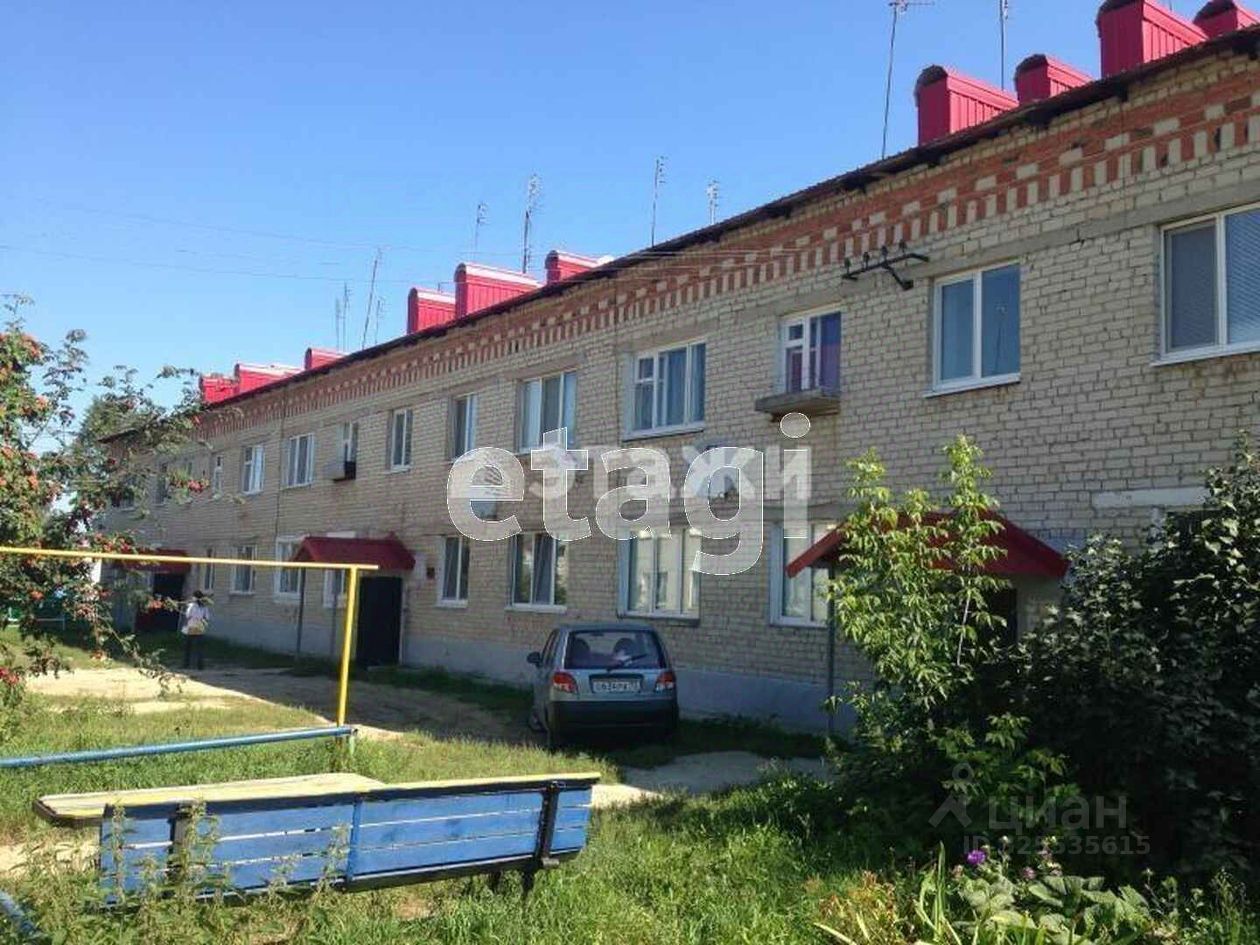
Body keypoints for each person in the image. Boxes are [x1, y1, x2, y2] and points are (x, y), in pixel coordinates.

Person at [181, 590, 210, 670]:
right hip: (200, 627)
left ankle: (186, 665)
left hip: (191, 627)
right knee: (199, 648)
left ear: (194, 597)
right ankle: (200, 666)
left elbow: (187, 615)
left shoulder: (191, 606)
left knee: (188, 647)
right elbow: (207, 617)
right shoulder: (204, 607)